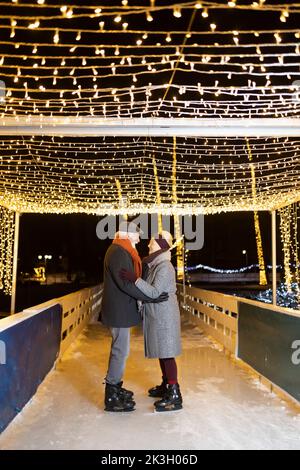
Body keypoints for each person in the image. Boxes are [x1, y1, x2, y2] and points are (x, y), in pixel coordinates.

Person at [101, 221, 169, 412]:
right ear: (127, 234)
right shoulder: (118, 252)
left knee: (121, 350)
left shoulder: (122, 251)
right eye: (136, 235)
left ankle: (116, 387)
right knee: (120, 351)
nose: (139, 239)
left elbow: (131, 277)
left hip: (120, 309)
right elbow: (126, 284)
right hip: (118, 311)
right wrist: (150, 297)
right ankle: (111, 395)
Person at [120, 231, 183, 412]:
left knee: (167, 352)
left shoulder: (165, 266)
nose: (148, 246)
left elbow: (154, 292)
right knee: (163, 351)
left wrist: (135, 279)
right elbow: (151, 292)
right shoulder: (155, 264)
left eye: (152, 243)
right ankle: (166, 384)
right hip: (158, 313)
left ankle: (174, 392)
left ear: (162, 246)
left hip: (165, 315)